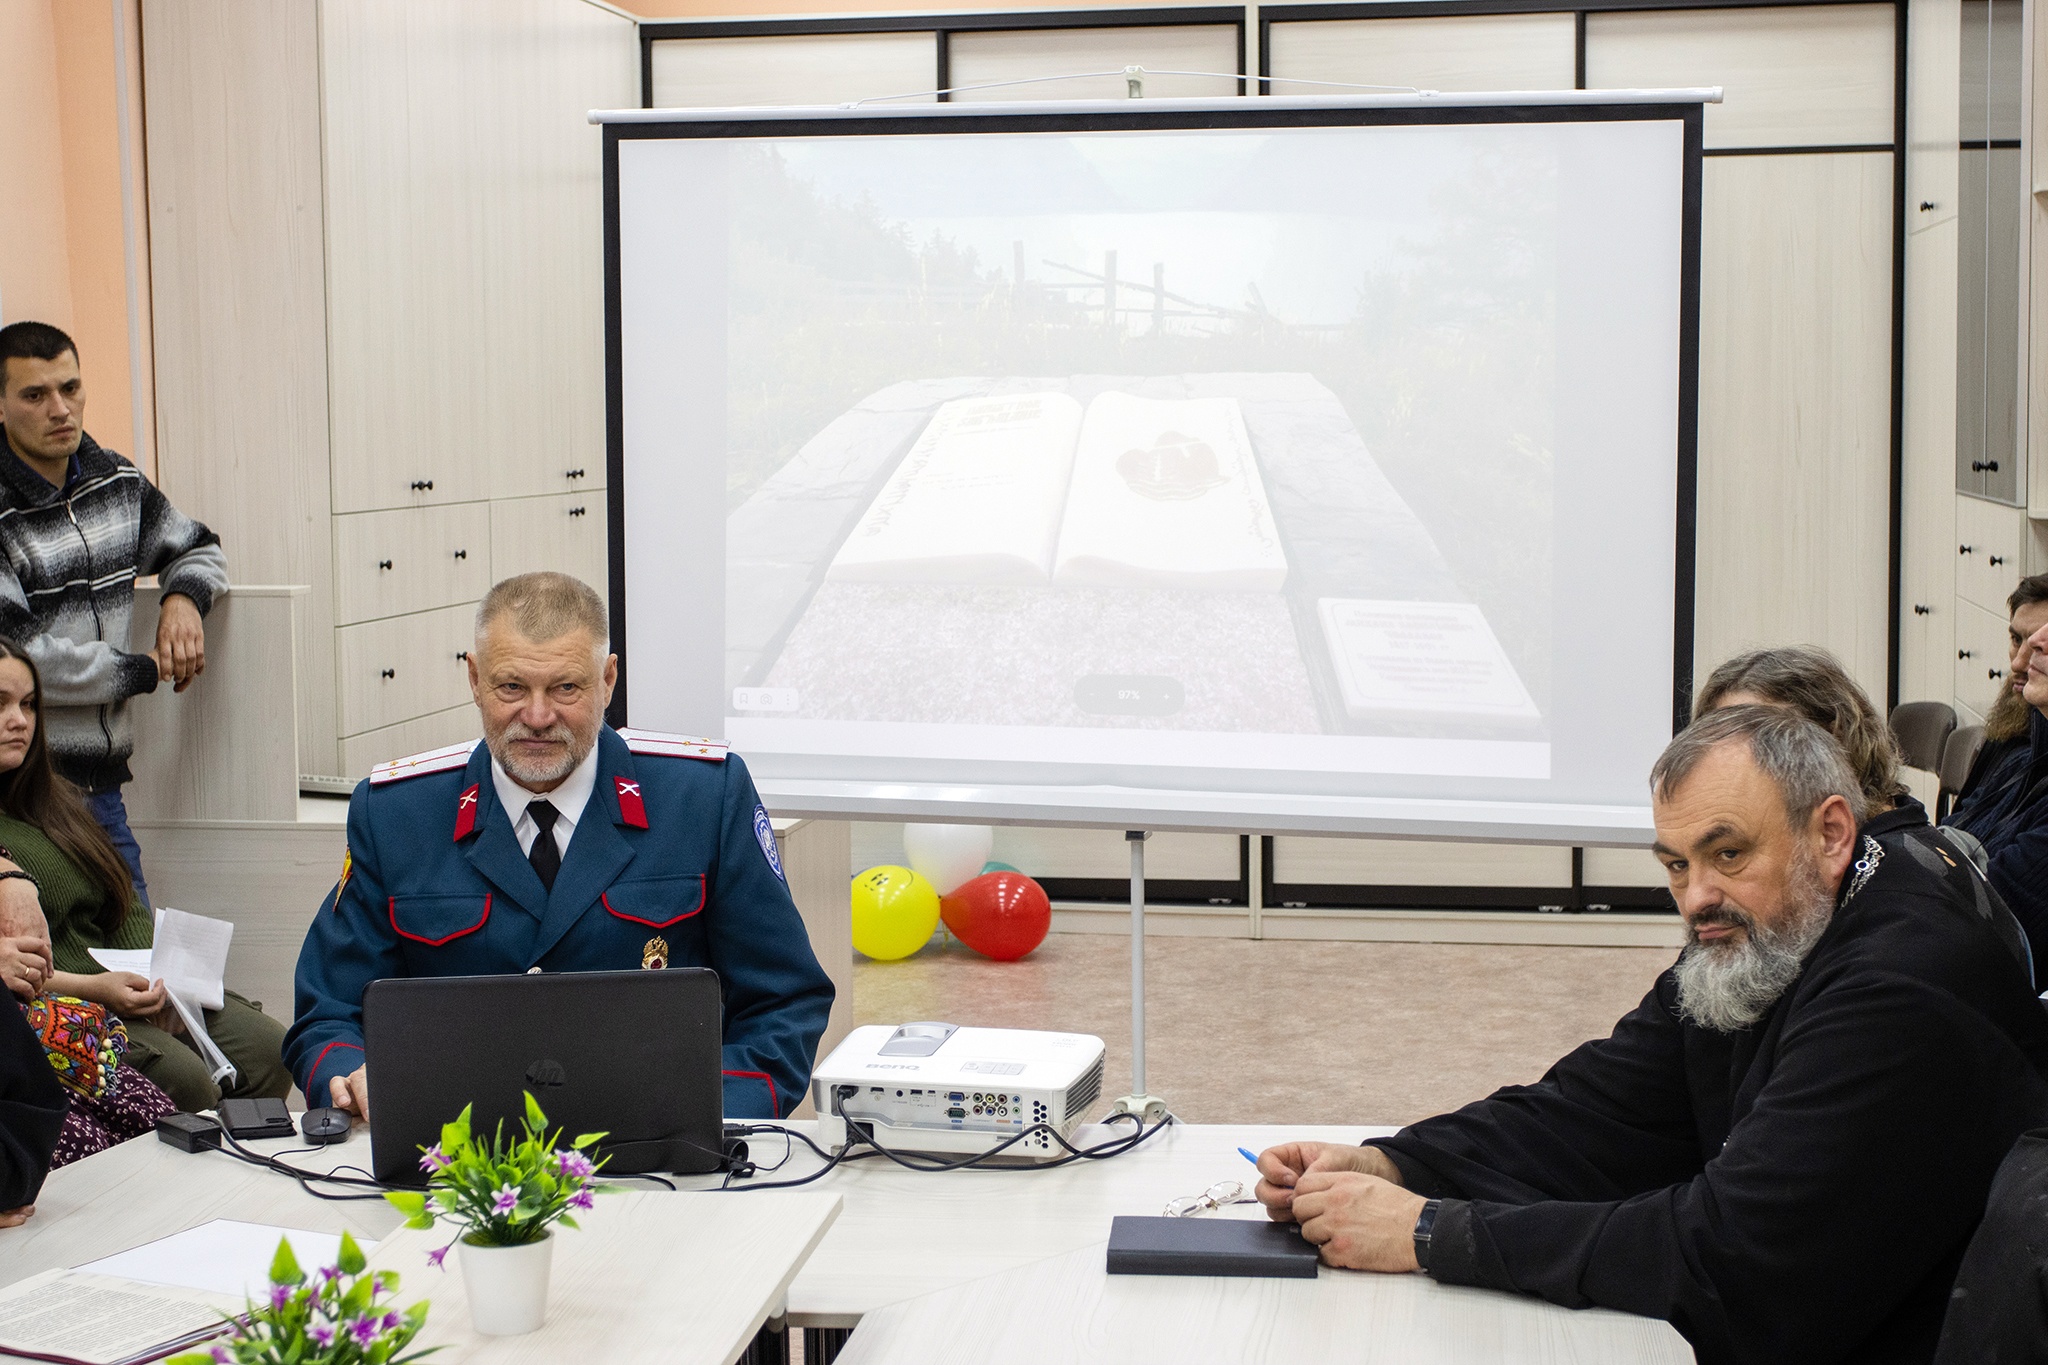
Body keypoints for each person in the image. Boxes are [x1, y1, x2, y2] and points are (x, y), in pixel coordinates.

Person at [1254, 706, 2048, 1365]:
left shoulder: (1898, 985)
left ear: (1831, 833)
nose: (1697, 897)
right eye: (1675, 864)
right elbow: (1599, 1105)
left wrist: (1431, 1232)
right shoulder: (1774, 925)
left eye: (1728, 852)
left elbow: (1729, 1255)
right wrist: (1398, 1161)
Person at [285, 572, 835, 1121]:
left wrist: (706, 1112)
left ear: (608, 680)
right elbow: (329, 1012)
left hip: (659, 1137)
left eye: (565, 688)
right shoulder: (398, 813)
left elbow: (782, 1000)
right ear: (474, 679)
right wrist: (351, 1076)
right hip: (457, 1143)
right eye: (511, 687)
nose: (538, 717)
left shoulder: (702, 797)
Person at [0, 636, 286, 1112]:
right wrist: (101, 990)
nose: (19, 721)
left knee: (269, 1051)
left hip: (124, 983)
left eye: (28, 704)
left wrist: (159, 978)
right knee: (186, 1081)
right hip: (58, 1000)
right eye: (1, 704)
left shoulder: (56, 800)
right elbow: (15, 970)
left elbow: (120, 895)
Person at [0, 322, 229, 906]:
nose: (60, 409)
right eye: (34, 395)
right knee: (39, 955)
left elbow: (199, 548)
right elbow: (27, 662)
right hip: (17, 793)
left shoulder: (116, 481)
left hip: (100, 790)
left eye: (70, 388)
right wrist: (145, 669)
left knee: (137, 946)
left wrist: (183, 600)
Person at [1945, 576, 2048, 966]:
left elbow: (1997, 909)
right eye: (2016, 640)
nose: (2020, 663)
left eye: (2039, 646)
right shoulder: (2015, 729)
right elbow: (1962, 822)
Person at [1694, 644, 1913, 821]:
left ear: (1837, 737)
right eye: (1722, 738)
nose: (1740, 757)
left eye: (1767, 737)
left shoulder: (1886, 857)